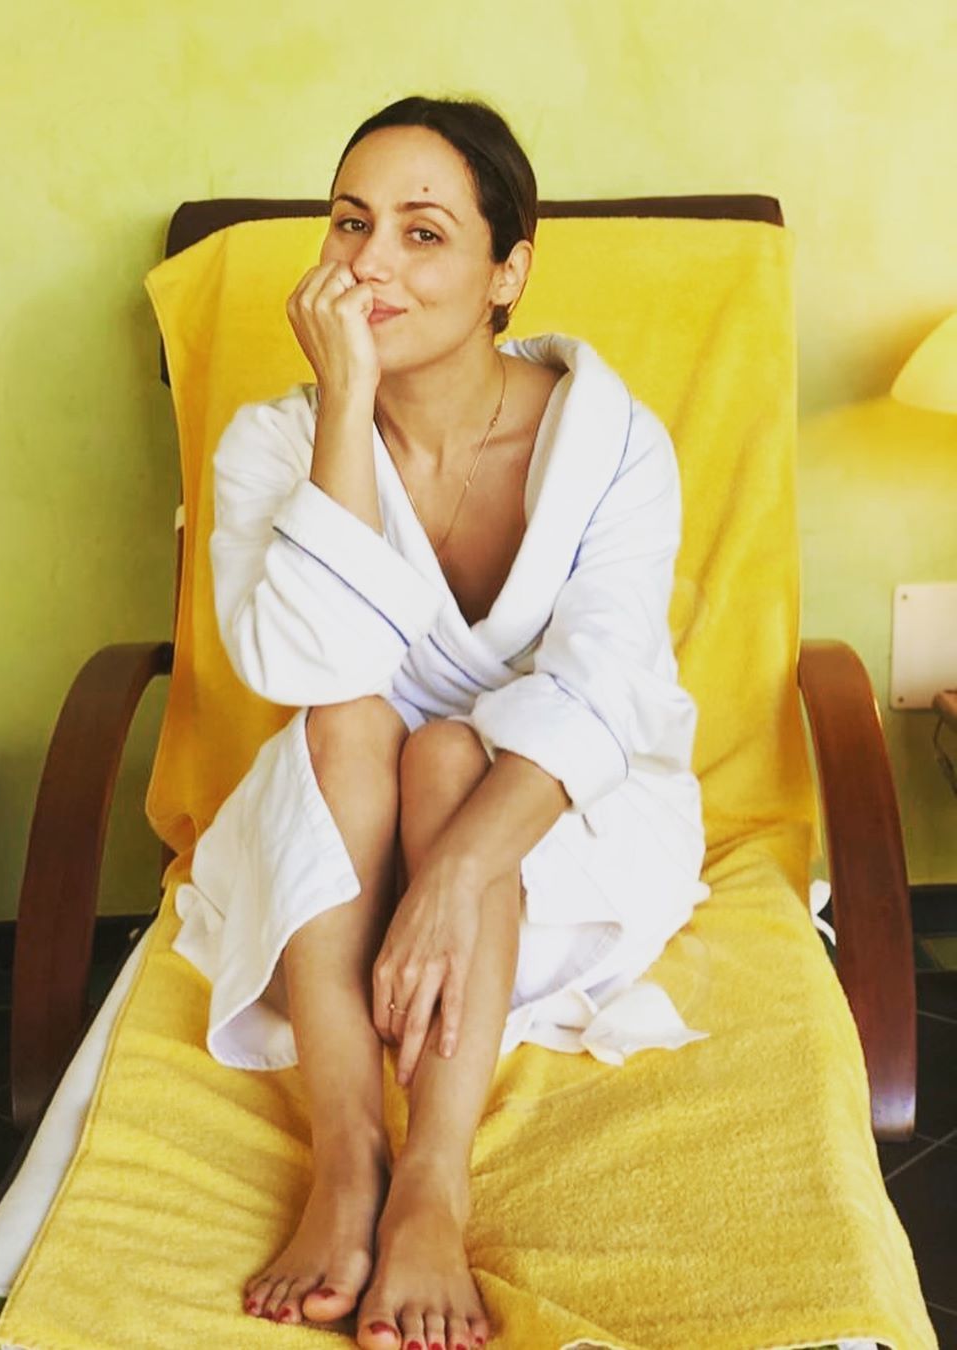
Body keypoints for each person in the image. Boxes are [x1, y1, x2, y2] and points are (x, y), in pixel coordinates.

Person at [170, 94, 710, 1350]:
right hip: (349, 827)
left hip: (559, 825)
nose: (370, 263)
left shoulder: (613, 443)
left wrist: (455, 870)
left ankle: (432, 1184)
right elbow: (308, 665)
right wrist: (343, 410)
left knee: (454, 748)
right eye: (349, 223)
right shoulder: (275, 444)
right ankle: (351, 1153)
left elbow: (605, 684)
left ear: (506, 272)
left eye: (423, 233)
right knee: (358, 720)